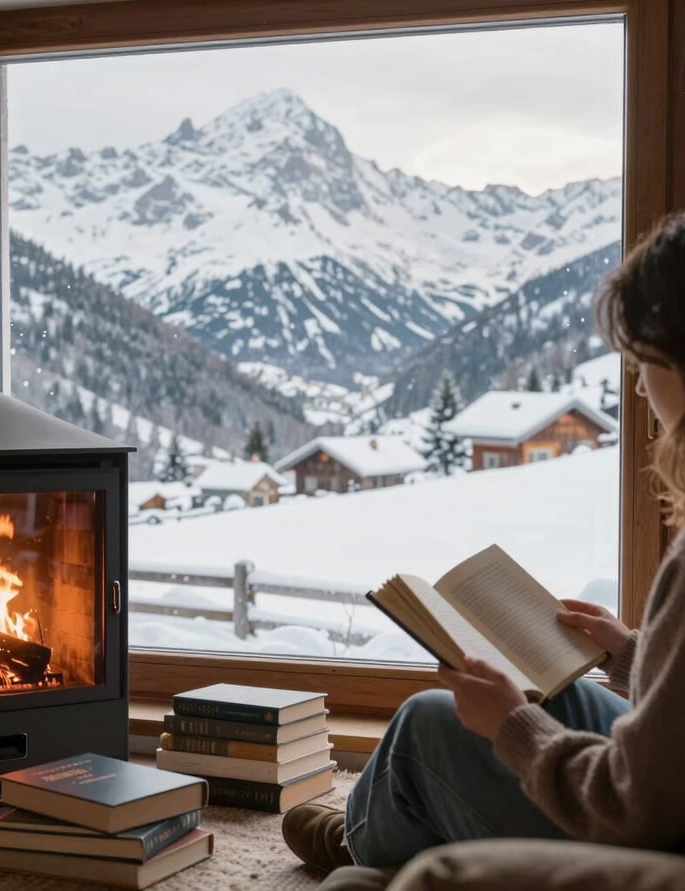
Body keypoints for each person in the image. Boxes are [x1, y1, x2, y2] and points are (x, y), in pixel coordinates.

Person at [282, 210, 685, 873]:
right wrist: (634, 656)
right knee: (557, 693)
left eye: (646, 360)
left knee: (426, 725)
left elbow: (631, 808)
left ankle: (364, 840)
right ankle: (394, 820)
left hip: (644, 837)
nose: (640, 385)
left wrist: (511, 725)